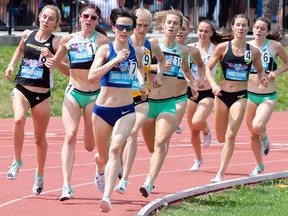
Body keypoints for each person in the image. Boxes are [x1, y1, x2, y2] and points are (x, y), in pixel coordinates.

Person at [45, 3, 110, 201]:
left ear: (97, 21)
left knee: (91, 146)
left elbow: (107, 70)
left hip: (94, 95)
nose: (89, 20)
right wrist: (51, 61)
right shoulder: (68, 40)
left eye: (93, 17)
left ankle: (100, 170)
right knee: (70, 135)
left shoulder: (102, 41)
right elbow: (60, 67)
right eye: (85, 16)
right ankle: (66, 186)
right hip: (73, 92)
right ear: (79, 18)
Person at [88, 7, 145, 212]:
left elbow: (140, 70)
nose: (124, 31)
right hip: (102, 111)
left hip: (126, 110)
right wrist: (114, 60)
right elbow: (92, 77)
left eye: (128, 28)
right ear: (113, 28)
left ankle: (107, 197)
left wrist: (143, 83)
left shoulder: (138, 52)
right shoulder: (105, 50)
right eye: (120, 26)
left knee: (115, 149)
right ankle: (100, 169)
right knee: (102, 156)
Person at [5, 5, 66, 195]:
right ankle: (17, 160)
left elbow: (67, 70)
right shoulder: (27, 34)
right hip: (22, 88)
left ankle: (39, 175)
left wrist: (54, 61)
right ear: (39, 17)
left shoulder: (56, 42)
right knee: (18, 120)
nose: (46, 21)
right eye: (44, 17)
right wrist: (11, 64)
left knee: (39, 139)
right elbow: (20, 49)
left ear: (56, 23)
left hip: (42, 95)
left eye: (50, 19)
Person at [140, 9, 198, 198]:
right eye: (169, 23)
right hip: (148, 102)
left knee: (160, 141)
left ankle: (149, 182)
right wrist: (159, 67)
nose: (172, 26)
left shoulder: (183, 50)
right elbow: (141, 66)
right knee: (152, 146)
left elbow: (187, 70)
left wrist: (193, 84)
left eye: (176, 23)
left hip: (168, 102)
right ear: (162, 26)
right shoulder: (152, 44)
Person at [205, 14, 268, 183]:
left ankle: (220, 173)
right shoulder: (223, 48)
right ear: (232, 27)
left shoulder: (253, 51)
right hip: (221, 94)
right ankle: (213, 136)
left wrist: (262, 77)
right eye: (238, 25)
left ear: (248, 28)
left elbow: (260, 69)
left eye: (244, 25)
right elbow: (207, 69)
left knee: (230, 135)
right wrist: (213, 84)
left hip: (240, 96)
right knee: (220, 137)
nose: (241, 28)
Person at [114, 8, 165, 195]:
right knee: (116, 142)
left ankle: (124, 180)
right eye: (138, 25)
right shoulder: (123, 43)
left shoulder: (152, 46)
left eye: (145, 26)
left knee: (132, 133)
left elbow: (161, 60)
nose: (141, 29)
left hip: (142, 98)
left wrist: (158, 75)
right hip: (120, 97)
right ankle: (117, 166)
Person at [246, 17, 288, 176]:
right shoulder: (247, 46)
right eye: (256, 27)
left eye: (262, 28)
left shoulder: (275, 46)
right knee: (251, 133)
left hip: (267, 96)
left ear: (267, 31)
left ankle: (264, 137)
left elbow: (287, 63)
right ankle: (259, 166)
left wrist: (276, 73)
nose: (258, 31)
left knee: (257, 127)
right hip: (249, 95)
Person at [186, 19, 223, 171]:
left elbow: (226, 66)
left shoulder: (216, 49)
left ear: (211, 33)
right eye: (200, 30)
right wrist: (191, 82)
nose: (202, 33)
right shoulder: (191, 49)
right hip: (192, 91)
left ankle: (206, 131)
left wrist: (219, 84)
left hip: (208, 92)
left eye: (206, 31)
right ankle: (198, 159)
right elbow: (184, 68)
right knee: (193, 129)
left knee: (197, 121)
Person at [174, 17, 205, 135]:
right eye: (178, 28)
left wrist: (200, 79)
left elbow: (201, 66)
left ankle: (174, 124)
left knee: (165, 132)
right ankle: (174, 124)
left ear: (188, 32)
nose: (180, 31)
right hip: (161, 96)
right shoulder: (161, 48)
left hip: (180, 97)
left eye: (183, 29)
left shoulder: (193, 52)